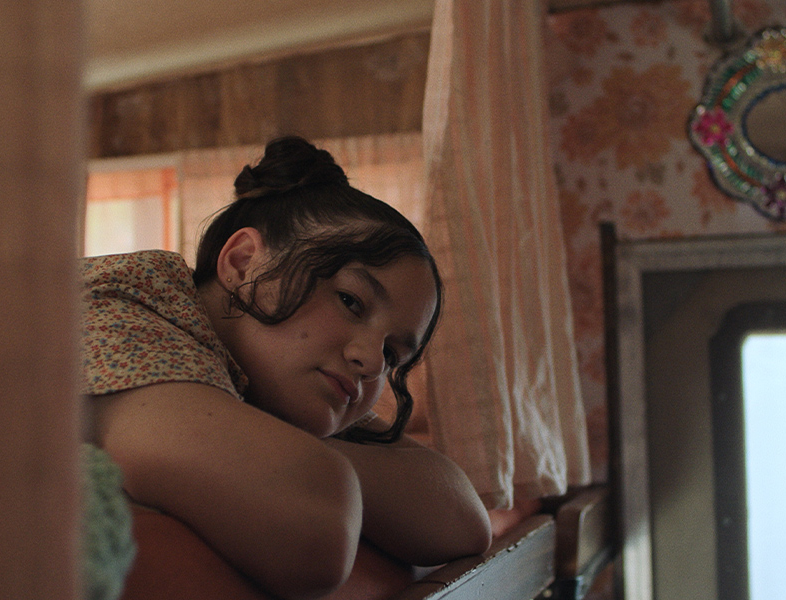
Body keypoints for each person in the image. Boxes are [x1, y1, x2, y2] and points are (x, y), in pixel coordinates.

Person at [80, 136, 492, 600]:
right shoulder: (122, 312)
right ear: (242, 262)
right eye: (351, 301)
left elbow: (464, 521)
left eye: (394, 354)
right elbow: (316, 529)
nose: (373, 360)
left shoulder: (265, 377)